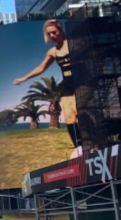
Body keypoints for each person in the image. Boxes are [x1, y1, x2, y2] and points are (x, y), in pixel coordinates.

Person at [14, 19, 82, 158]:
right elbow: (41, 68)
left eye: (54, 32)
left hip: (82, 81)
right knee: (69, 117)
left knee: (77, 112)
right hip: (68, 84)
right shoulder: (53, 52)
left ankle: (89, 142)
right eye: (49, 34)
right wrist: (24, 78)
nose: (52, 36)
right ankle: (79, 147)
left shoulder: (75, 43)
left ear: (61, 30)